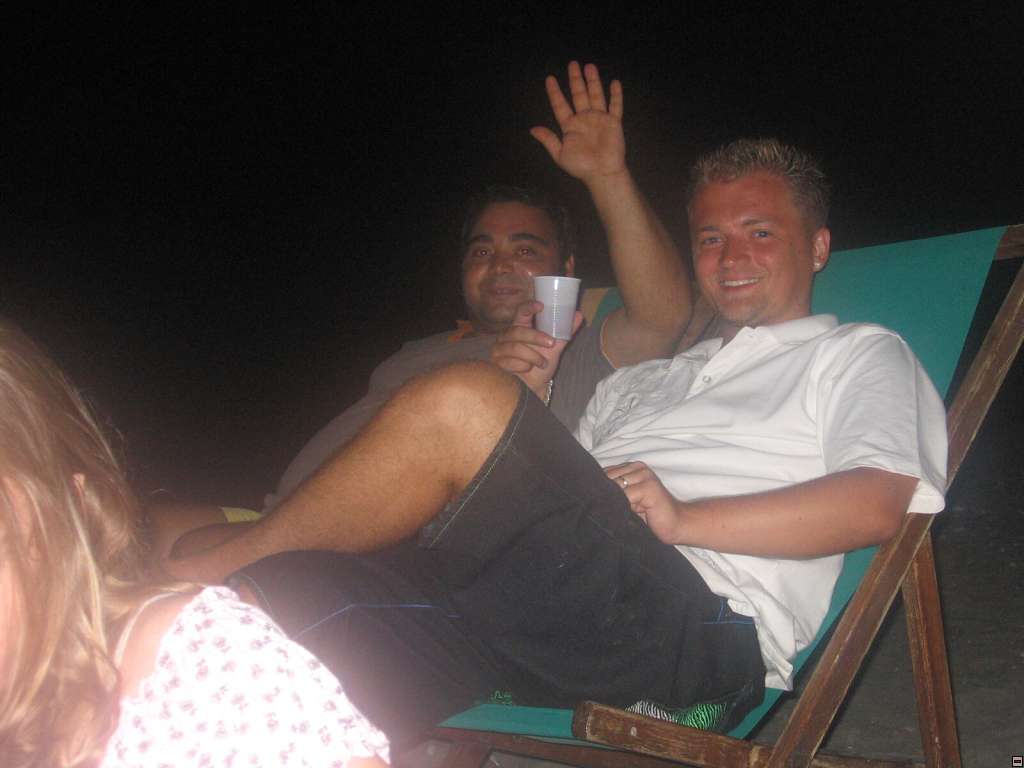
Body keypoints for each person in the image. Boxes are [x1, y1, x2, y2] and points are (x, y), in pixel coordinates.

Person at [165, 137, 948, 747]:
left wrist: (684, 520)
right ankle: (218, 580)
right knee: (260, 606)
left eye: (760, 232)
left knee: (465, 401)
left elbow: (878, 502)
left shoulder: (856, 353)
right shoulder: (646, 381)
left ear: (818, 246)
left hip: (693, 627)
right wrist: (531, 405)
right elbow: (554, 501)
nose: (731, 256)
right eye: (710, 237)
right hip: (537, 614)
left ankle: (195, 569)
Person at [149, 60, 692, 555]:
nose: (500, 264)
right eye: (482, 251)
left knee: (181, 560)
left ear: (565, 268)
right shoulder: (420, 350)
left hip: (363, 555)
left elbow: (664, 312)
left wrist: (607, 177)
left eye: (525, 250)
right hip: (275, 519)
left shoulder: (567, 341)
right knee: (138, 528)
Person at [0, 321, 390, 767]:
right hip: (271, 510)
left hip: (295, 534)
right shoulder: (399, 363)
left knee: (204, 565)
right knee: (185, 542)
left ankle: (198, 602)